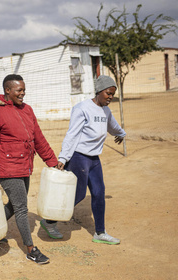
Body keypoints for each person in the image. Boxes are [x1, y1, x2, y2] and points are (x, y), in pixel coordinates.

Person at [0, 74, 58, 264]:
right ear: (8, 90)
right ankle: (31, 249)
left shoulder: (27, 110)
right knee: (22, 208)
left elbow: (38, 138)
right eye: (19, 90)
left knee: (14, 206)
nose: (23, 93)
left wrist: (52, 161)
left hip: (24, 166)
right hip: (6, 168)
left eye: (24, 90)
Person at [40, 75, 126, 245]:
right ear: (99, 91)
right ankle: (49, 222)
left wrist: (121, 133)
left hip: (94, 159)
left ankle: (100, 233)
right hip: (79, 157)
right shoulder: (82, 108)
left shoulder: (106, 111)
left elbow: (112, 126)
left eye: (112, 95)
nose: (110, 97)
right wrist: (64, 157)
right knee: (77, 194)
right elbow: (72, 134)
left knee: (99, 193)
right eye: (108, 93)